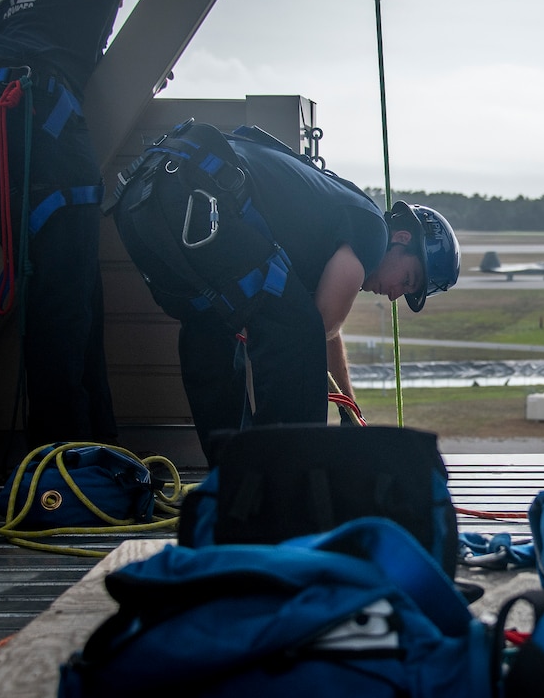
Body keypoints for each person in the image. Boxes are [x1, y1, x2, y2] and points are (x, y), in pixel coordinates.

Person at [0, 0, 189, 451]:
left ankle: (91, 448)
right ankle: (68, 465)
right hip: (30, 120)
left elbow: (40, 39)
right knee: (63, 296)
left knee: (59, 286)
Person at [109, 119, 462, 464]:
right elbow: (316, 327)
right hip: (198, 199)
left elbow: (319, 329)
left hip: (143, 200)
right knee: (294, 336)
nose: (395, 294)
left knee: (209, 329)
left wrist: (346, 407)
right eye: (409, 279)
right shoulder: (373, 231)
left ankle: (233, 479)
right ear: (401, 239)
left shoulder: (329, 222)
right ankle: (286, 483)